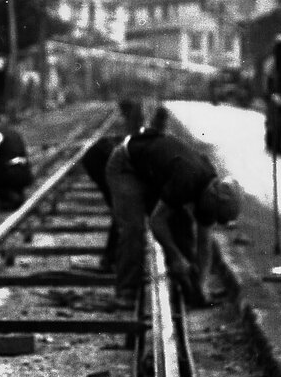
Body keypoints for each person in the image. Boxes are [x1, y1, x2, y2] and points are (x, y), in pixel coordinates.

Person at [104, 118, 242, 308]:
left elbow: (204, 243)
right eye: (215, 214)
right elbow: (156, 221)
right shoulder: (187, 180)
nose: (212, 218)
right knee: (133, 228)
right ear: (213, 198)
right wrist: (175, 256)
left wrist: (203, 283)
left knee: (182, 226)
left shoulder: (210, 191)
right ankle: (126, 292)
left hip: (152, 173)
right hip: (126, 166)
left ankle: (192, 289)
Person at [80, 98, 146, 276]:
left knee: (121, 212)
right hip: (101, 160)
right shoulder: (138, 135)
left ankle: (112, 258)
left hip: (104, 157)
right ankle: (110, 260)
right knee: (121, 212)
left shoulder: (138, 132)